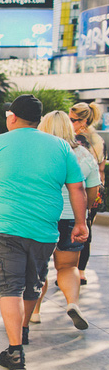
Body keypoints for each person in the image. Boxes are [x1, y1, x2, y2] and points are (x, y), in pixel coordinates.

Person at [0, 94, 88, 370]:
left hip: (2, 227)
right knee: (32, 283)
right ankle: (24, 328)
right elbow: (76, 187)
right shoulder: (60, 146)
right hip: (43, 229)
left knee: (10, 288)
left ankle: (15, 350)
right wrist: (81, 222)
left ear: (13, 117)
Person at [31, 111, 100, 329]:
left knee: (38, 267)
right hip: (72, 218)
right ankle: (71, 302)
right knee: (68, 266)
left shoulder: (36, 153)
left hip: (42, 216)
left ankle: (35, 311)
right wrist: (84, 212)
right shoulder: (84, 155)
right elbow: (92, 190)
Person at [69, 102, 106, 286]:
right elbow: (101, 169)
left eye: (72, 120)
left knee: (74, 230)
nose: (69, 123)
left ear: (82, 121)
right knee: (87, 231)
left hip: (77, 191)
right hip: (95, 190)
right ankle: (81, 272)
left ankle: (71, 270)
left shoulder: (77, 140)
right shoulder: (99, 139)